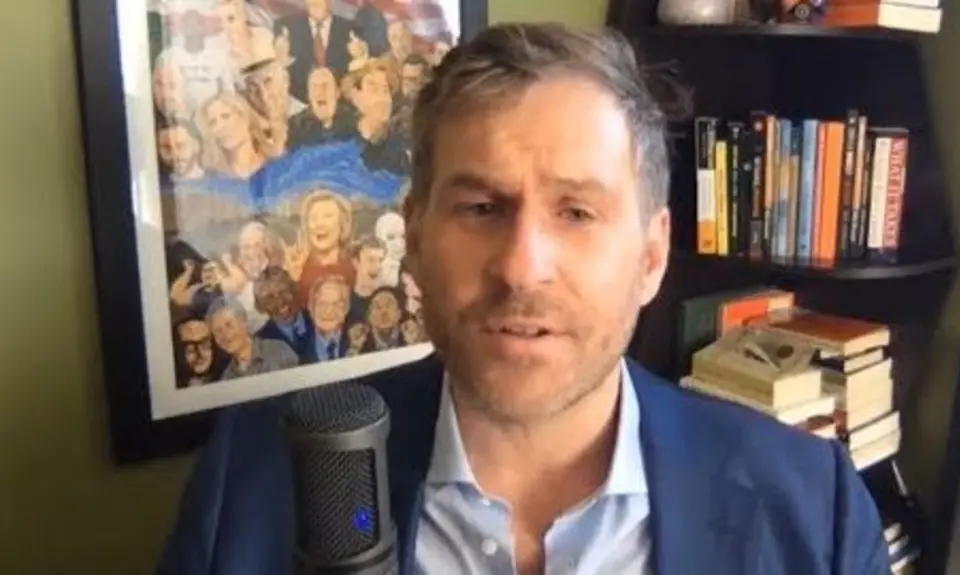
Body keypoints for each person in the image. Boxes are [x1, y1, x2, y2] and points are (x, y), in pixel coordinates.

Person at [156, 23, 887, 575]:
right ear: (415, 237)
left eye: (577, 212)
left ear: (651, 256)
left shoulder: (812, 511)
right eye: (480, 207)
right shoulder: (250, 484)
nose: (521, 268)